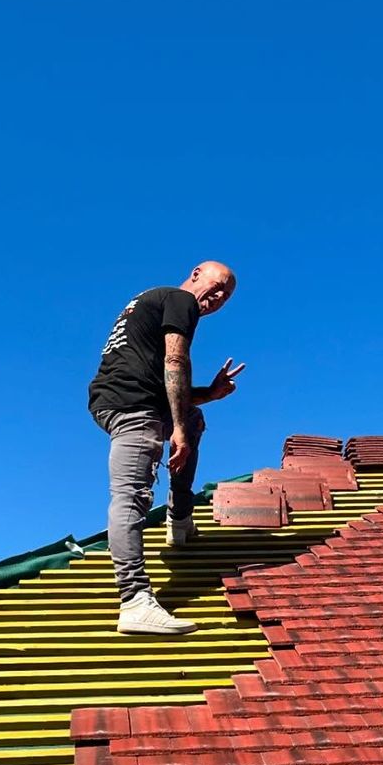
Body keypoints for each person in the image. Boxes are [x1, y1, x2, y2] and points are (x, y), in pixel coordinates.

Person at [89, 261, 244, 635]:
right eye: (217, 285)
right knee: (131, 496)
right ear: (195, 274)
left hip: (131, 398)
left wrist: (209, 394)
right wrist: (175, 429)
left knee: (192, 420)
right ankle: (135, 601)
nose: (219, 297)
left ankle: (179, 517)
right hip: (132, 406)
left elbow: (161, 381)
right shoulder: (179, 300)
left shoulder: (154, 300)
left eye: (227, 296)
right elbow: (175, 359)